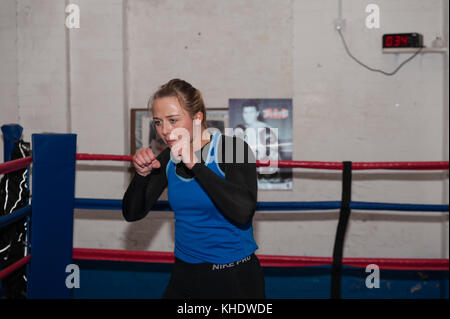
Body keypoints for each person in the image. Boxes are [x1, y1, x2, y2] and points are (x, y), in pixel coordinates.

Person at [122, 79, 265, 299]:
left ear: (197, 118)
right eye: (158, 122)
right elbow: (132, 213)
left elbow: (243, 212)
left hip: (232, 276)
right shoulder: (168, 156)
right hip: (184, 273)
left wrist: (195, 165)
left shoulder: (234, 148)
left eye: (173, 120)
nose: (165, 130)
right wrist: (140, 177)